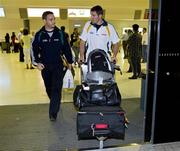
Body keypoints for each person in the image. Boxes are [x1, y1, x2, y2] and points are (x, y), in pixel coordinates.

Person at [31, 11, 73, 121]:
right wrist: (36, 63)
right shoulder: (39, 35)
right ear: (44, 21)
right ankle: (55, 101)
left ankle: (53, 113)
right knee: (49, 88)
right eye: (50, 19)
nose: (53, 21)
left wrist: (70, 62)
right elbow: (33, 49)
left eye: (54, 19)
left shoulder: (60, 34)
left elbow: (67, 49)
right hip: (45, 67)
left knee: (56, 89)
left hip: (58, 65)